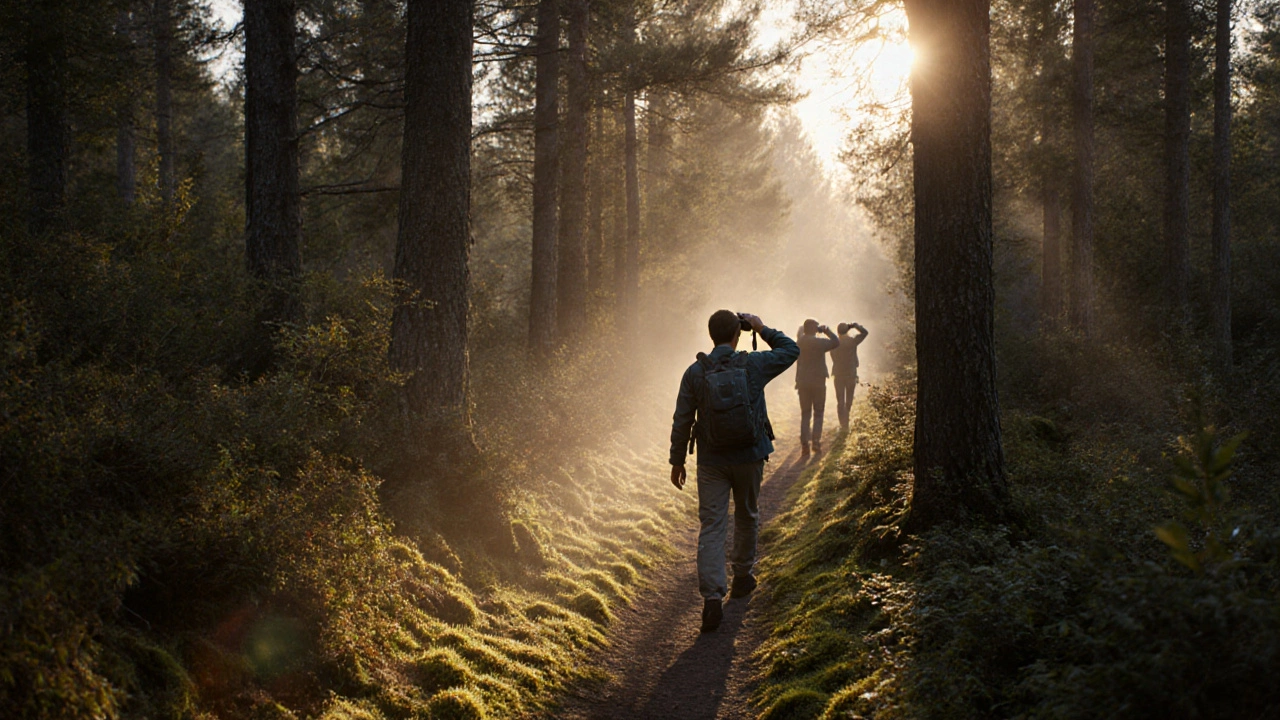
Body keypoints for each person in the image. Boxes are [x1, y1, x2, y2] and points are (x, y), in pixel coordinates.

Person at [669, 310, 799, 633]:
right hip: (750, 456)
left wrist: (677, 461)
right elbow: (791, 351)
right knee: (747, 514)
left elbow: (682, 419)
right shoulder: (752, 364)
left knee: (712, 525)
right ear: (736, 335)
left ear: (711, 335)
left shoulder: (695, 373)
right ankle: (742, 576)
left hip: (712, 462)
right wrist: (762, 327)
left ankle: (712, 598)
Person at [794, 319, 839, 455]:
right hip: (818, 382)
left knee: (805, 413)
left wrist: (805, 330)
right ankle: (816, 442)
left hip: (803, 382)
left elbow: (800, 335)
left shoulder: (799, 342)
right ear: (815, 329)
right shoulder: (820, 343)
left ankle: (804, 444)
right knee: (818, 412)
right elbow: (836, 342)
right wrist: (826, 330)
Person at [830, 322, 869, 431]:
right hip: (851, 373)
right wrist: (855, 326)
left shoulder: (834, 343)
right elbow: (865, 333)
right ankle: (846, 420)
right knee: (849, 399)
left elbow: (832, 356)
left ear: (838, 332)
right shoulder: (852, 341)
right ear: (847, 330)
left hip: (838, 374)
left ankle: (843, 425)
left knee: (840, 400)